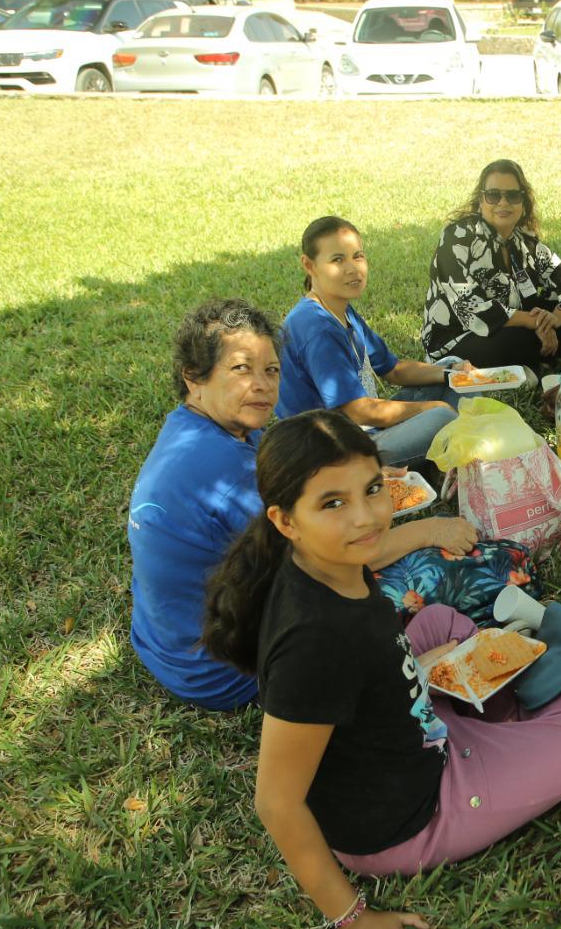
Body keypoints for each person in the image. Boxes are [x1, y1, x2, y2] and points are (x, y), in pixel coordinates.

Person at [200, 410, 561, 929]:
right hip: (416, 813)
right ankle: (508, 730)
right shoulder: (314, 644)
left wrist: (413, 671)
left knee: (440, 620)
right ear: (286, 520)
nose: (366, 516)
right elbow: (277, 803)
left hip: (406, 732)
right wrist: (353, 922)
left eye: (372, 489)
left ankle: (503, 723)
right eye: (333, 503)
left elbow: (378, 654)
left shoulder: (325, 561)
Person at [128, 300, 480, 710]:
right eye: (241, 368)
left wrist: (358, 481)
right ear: (194, 378)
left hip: (164, 644)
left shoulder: (198, 427)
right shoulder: (227, 472)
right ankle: (397, 674)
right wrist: (429, 529)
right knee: (453, 567)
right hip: (228, 670)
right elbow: (331, 560)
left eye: (271, 370)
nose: (261, 384)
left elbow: (289, 482)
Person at [276, 216, 461, 468]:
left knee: (456, 372)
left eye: (358, 256)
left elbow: (393, 370)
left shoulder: (339, 309)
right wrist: (428, 409)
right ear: (309, 265)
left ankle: (438, 455)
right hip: (336, 454)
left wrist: (453, 374)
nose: (352, 268)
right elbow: (359, 411)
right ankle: (437, 459)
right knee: (441, 416)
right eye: (337, 260)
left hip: (365, 429)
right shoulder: (316, 328)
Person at [422, 159, 561, 372]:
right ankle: (549, 355)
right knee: (515, 340)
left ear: (523, 203)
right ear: (481, 201)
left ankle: (536, 359)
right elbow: (471, 308)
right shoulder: (456, 238)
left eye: (512, 196)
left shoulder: (525, 242)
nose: (503, 203)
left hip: (514, 325)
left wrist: (555, 319)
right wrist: (536, 322)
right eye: (493, 195)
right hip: (460, 336)